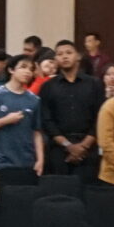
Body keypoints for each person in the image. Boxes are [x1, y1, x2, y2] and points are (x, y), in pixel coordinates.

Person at [39, 40, 105, 182]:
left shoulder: (94, 84)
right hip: (58, 148)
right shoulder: (48, 87)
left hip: (88, 147)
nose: (64, 57)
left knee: (88, 192)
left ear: (78, 56)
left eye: (69, 53)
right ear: (55, 59)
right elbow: (47, 119)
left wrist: (83, 146)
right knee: (60, 192)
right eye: (60, 54)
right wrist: (68, 145)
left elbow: (100, 117)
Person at [0, 54, 44, 192]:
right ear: (11, 70)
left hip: (27, 163)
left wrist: (40, 159)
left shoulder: (34, 100)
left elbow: (36, 132)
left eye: (31, 69)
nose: (27, 72)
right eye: (23, 67)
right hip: (0, 164)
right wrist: (6, 120)